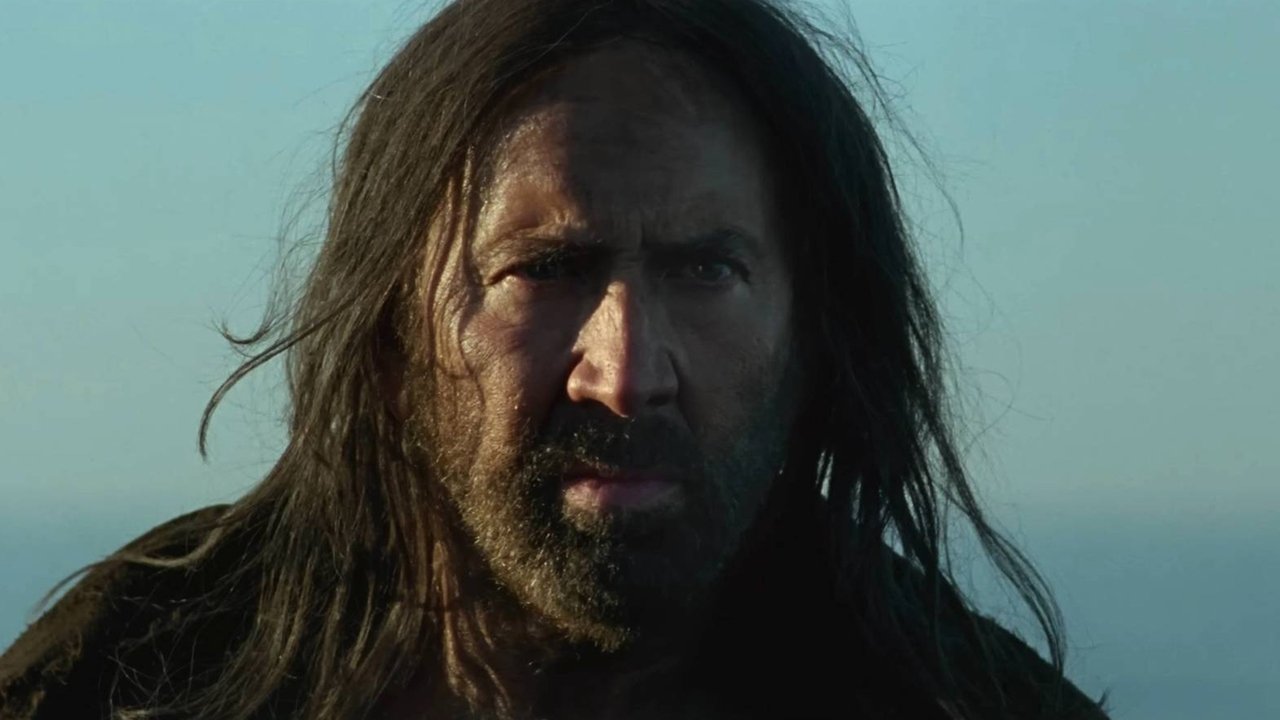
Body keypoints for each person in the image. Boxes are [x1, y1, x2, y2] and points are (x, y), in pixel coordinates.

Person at [0, 1, 1109, 718]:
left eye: (706, 270)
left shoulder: (953, 702)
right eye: (544, 270)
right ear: (389, 336)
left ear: (814, 334)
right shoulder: (129, 680)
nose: (624, 376)